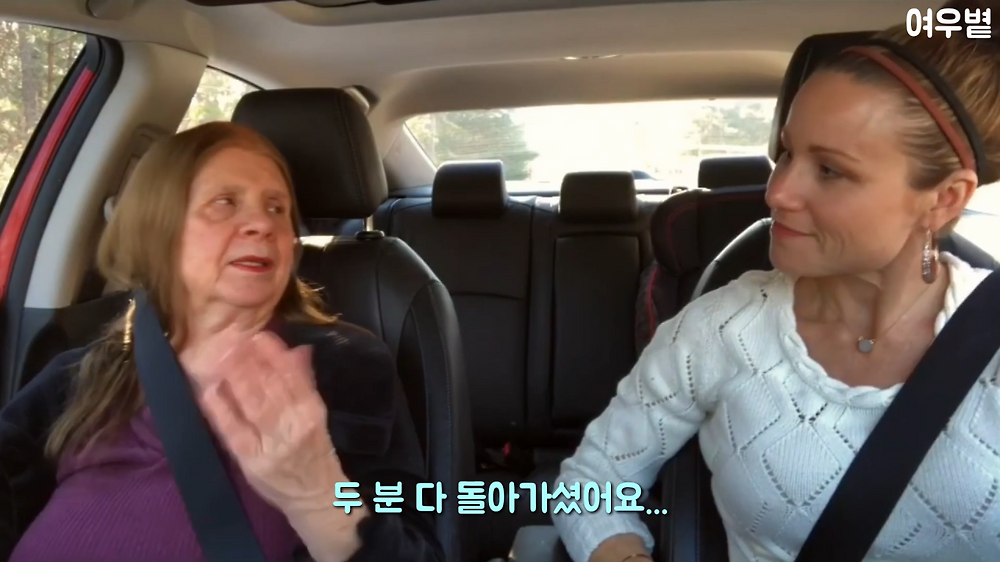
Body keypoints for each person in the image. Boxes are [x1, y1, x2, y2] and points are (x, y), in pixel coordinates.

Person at [551, 19, 1000, 562]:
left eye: (830, 170)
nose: (777, 191)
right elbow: (591, 483)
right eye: (786, 154)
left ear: (944, 199)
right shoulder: (718, 330)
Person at [0, 121, 444, 562]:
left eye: (277, 208)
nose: (262, 224)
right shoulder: (82, 373)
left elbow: (417, 546)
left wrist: (319, 497)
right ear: (156, 229)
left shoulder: (347, 366)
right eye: (225, 202)